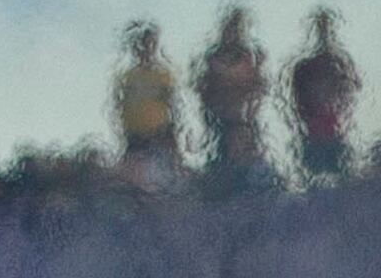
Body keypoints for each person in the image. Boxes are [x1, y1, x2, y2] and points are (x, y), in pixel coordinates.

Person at [195, 9, 269, 180]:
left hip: (242, 119)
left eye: (238, 28)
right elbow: (203, 86)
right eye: (232, 27)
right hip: (220, 120)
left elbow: (258, 87)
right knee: (223, 161)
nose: (234, 32)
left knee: (246, 162)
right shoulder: (215, 56)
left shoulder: (248, 56)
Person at [289, 10, 356, 179]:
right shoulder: (306, 68)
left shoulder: (339, 66)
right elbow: (298, 102)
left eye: (326, 28)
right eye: (321, 28)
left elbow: (349, 95)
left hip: (332, 135)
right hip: (316, 135)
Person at [113, 22, 181, 183]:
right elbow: (120, 105)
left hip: (159, 134)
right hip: (135, 136)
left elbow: (173, 105)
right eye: (143, 44)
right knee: (132, 178)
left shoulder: (163, 75)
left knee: (162, 178)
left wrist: (173, 133)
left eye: (150, 44)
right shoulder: (128, 77)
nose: (146, 48)